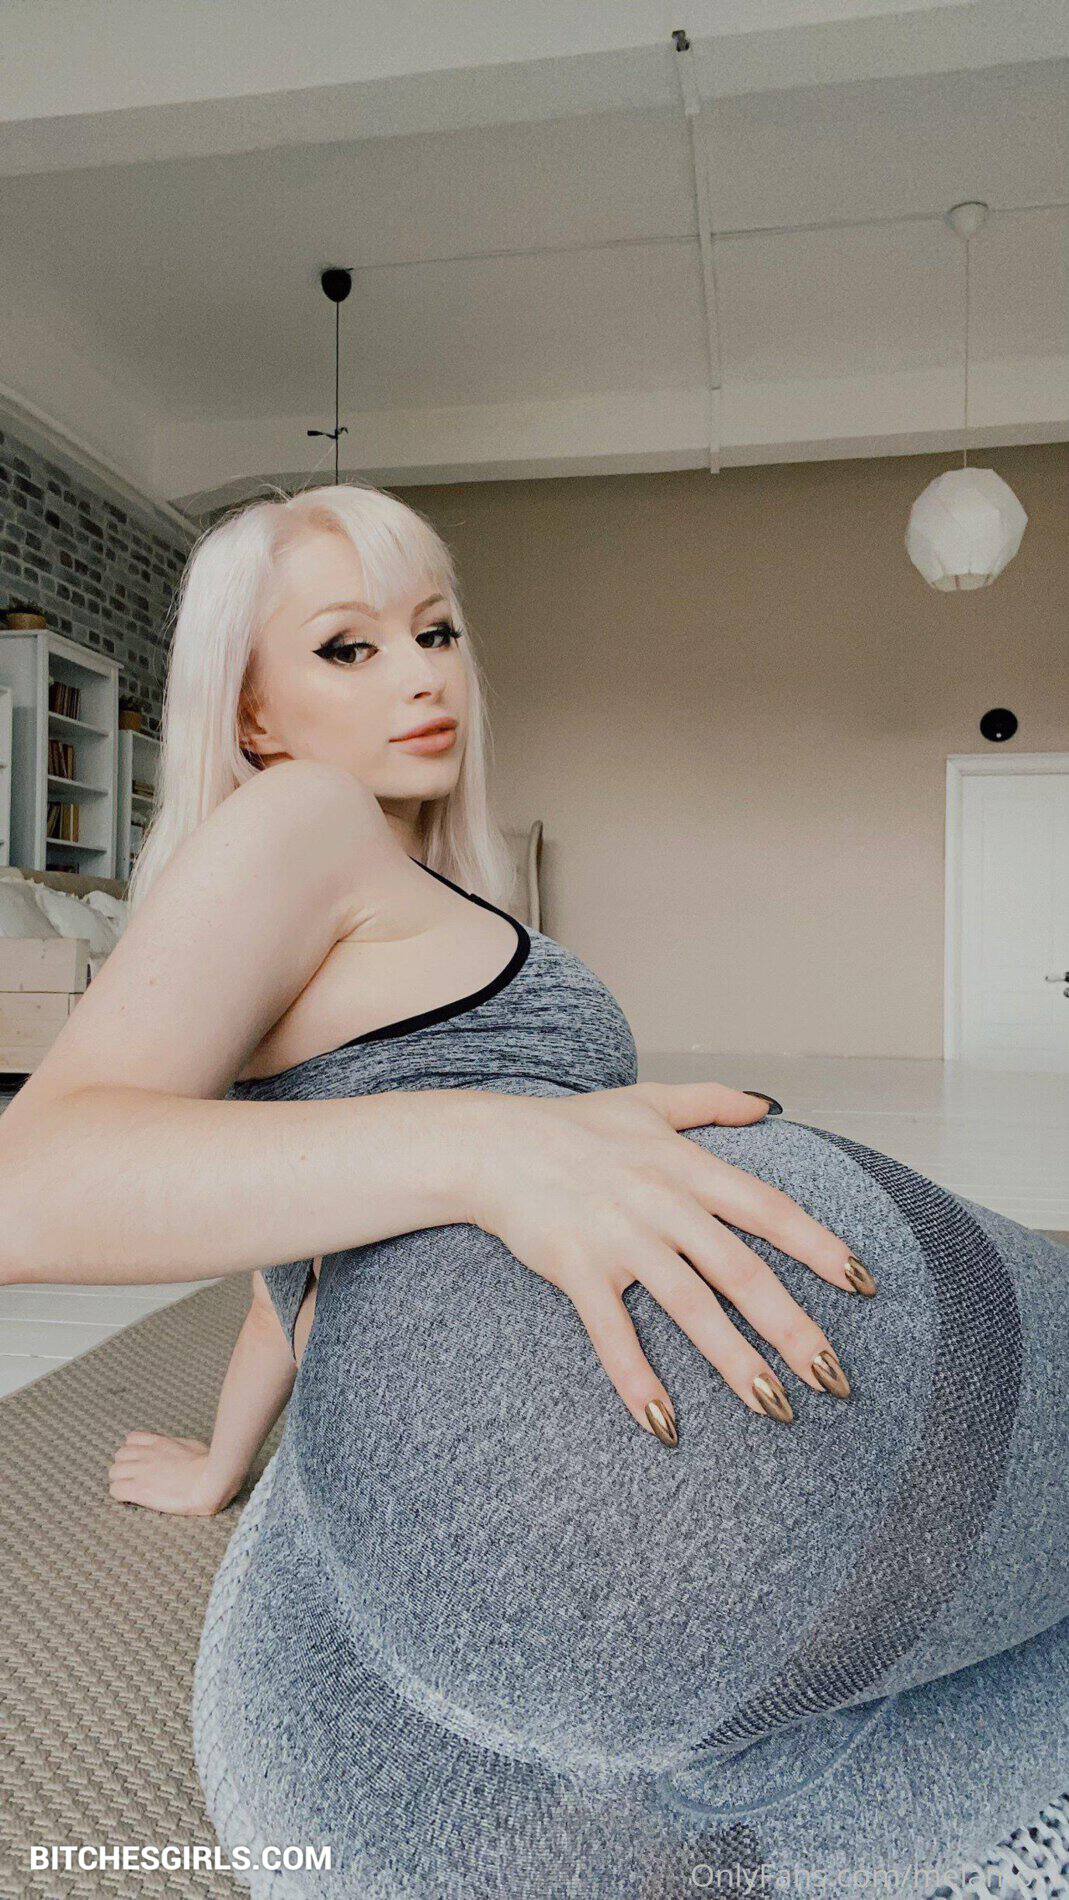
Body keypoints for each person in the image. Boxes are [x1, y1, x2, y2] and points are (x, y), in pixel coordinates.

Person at [0, 483, 1064, 1898]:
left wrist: (221, 1465)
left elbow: (300, 1257)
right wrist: (487, 1144)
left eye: (435, 631)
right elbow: (30, 1186)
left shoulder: (390, 877)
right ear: (252, 716)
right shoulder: (303, 816)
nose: (422, 674)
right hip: (528, 1505)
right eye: (348, 647)